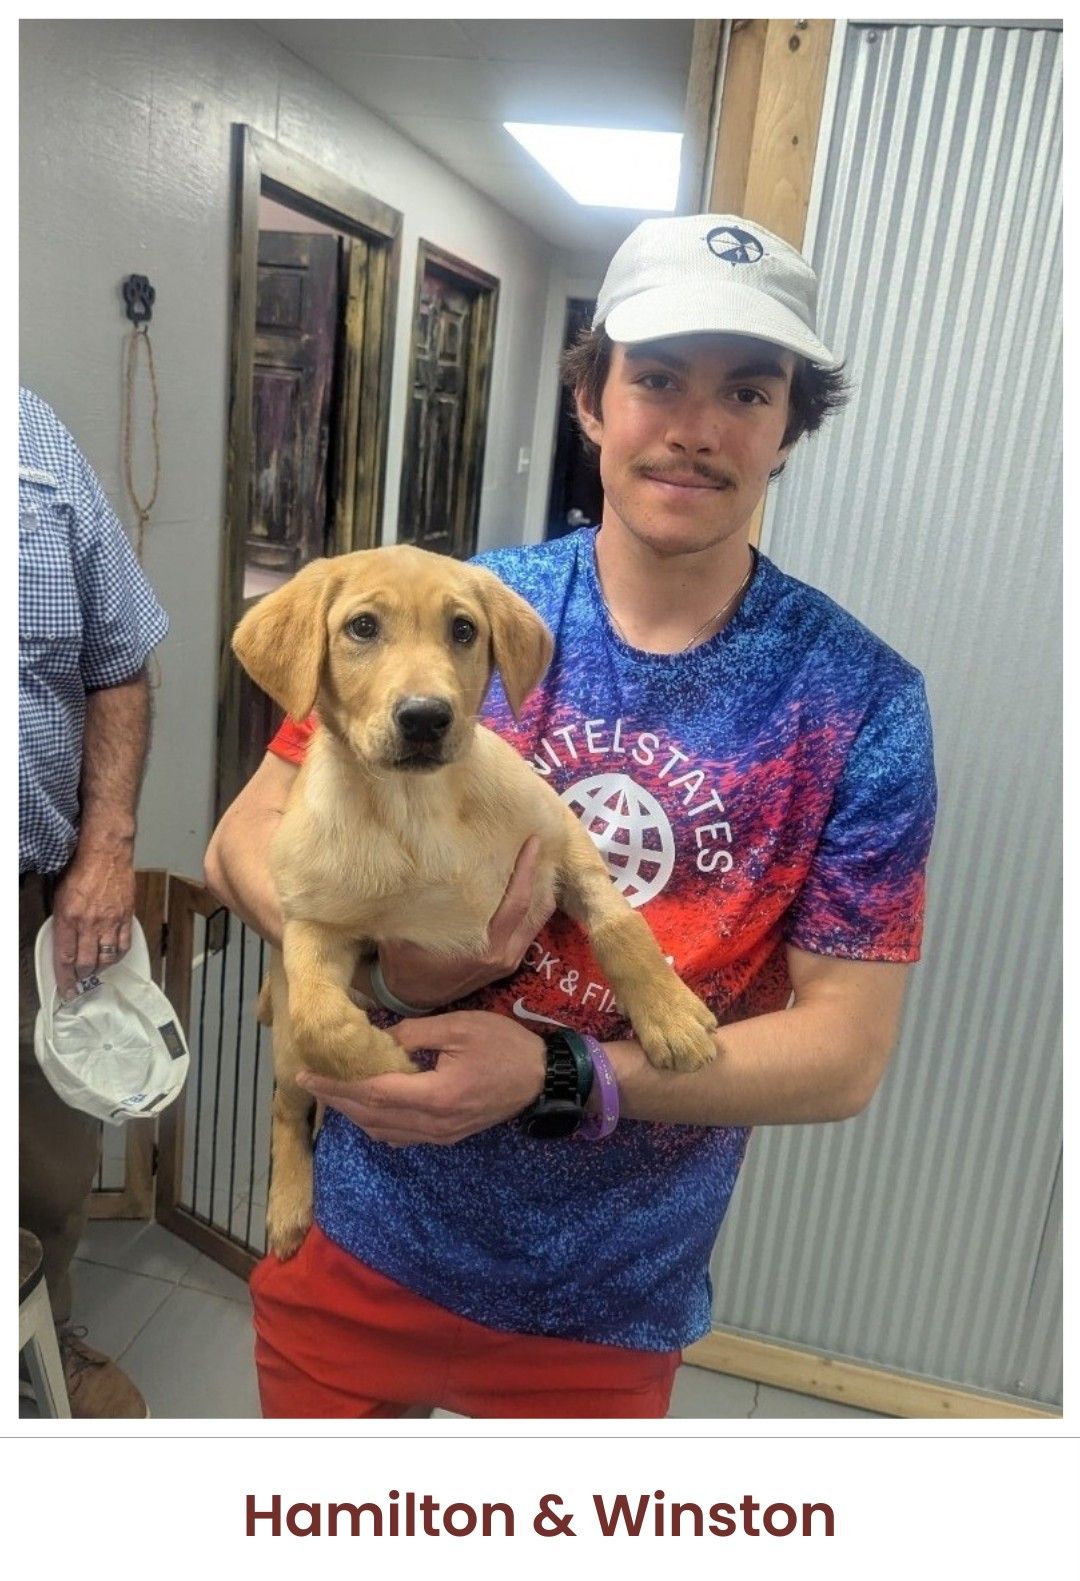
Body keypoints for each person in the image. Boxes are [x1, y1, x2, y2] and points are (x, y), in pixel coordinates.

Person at [205, 214, 936, 1419]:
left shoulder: (859, 703)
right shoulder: (452, 608)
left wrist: (558, 1074)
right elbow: (244, 838)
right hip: (361, 1238)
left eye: (748, 392)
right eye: (655, 379)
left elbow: (843, 1056)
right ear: (591, 401)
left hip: (604, 1294)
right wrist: (383, 971)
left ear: (789, 430)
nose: (696, 429)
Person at [19, 385, 169, 1417]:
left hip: (31, 886)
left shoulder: (31, 435)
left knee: (45, 1146)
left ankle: (38, 1339)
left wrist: (106, 851)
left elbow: (120, 663)